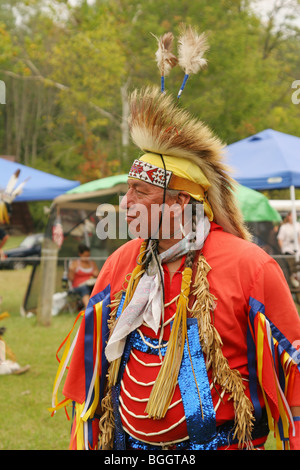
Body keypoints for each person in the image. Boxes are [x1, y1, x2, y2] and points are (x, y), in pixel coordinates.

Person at [51, 29, 300, 451]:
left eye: (140, 192)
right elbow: (93, 377)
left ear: (181, 199)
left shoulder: (250, 266)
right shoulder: (122, 263)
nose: (126, 203)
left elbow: (295, 372)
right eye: (126, 191)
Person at [67, 244, 99, 308]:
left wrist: (96, 274)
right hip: (78, 287)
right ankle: (89, 309)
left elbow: (98, 275)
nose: (87, 258)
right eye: (85, 256)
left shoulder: (92, 263)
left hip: (91, 284)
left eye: (88, 256)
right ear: (80, 254)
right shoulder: (74, 263)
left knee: (98, 286)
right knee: (84, 288)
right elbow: (71, 279)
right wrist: (71, 271)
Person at [277, 212, 300, 288]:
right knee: (291, 270)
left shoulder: (298, 226)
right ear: (288, 217)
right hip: (288, 251)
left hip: (297, 251)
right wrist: (283, 250)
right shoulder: (284, 227)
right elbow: (280, 239)